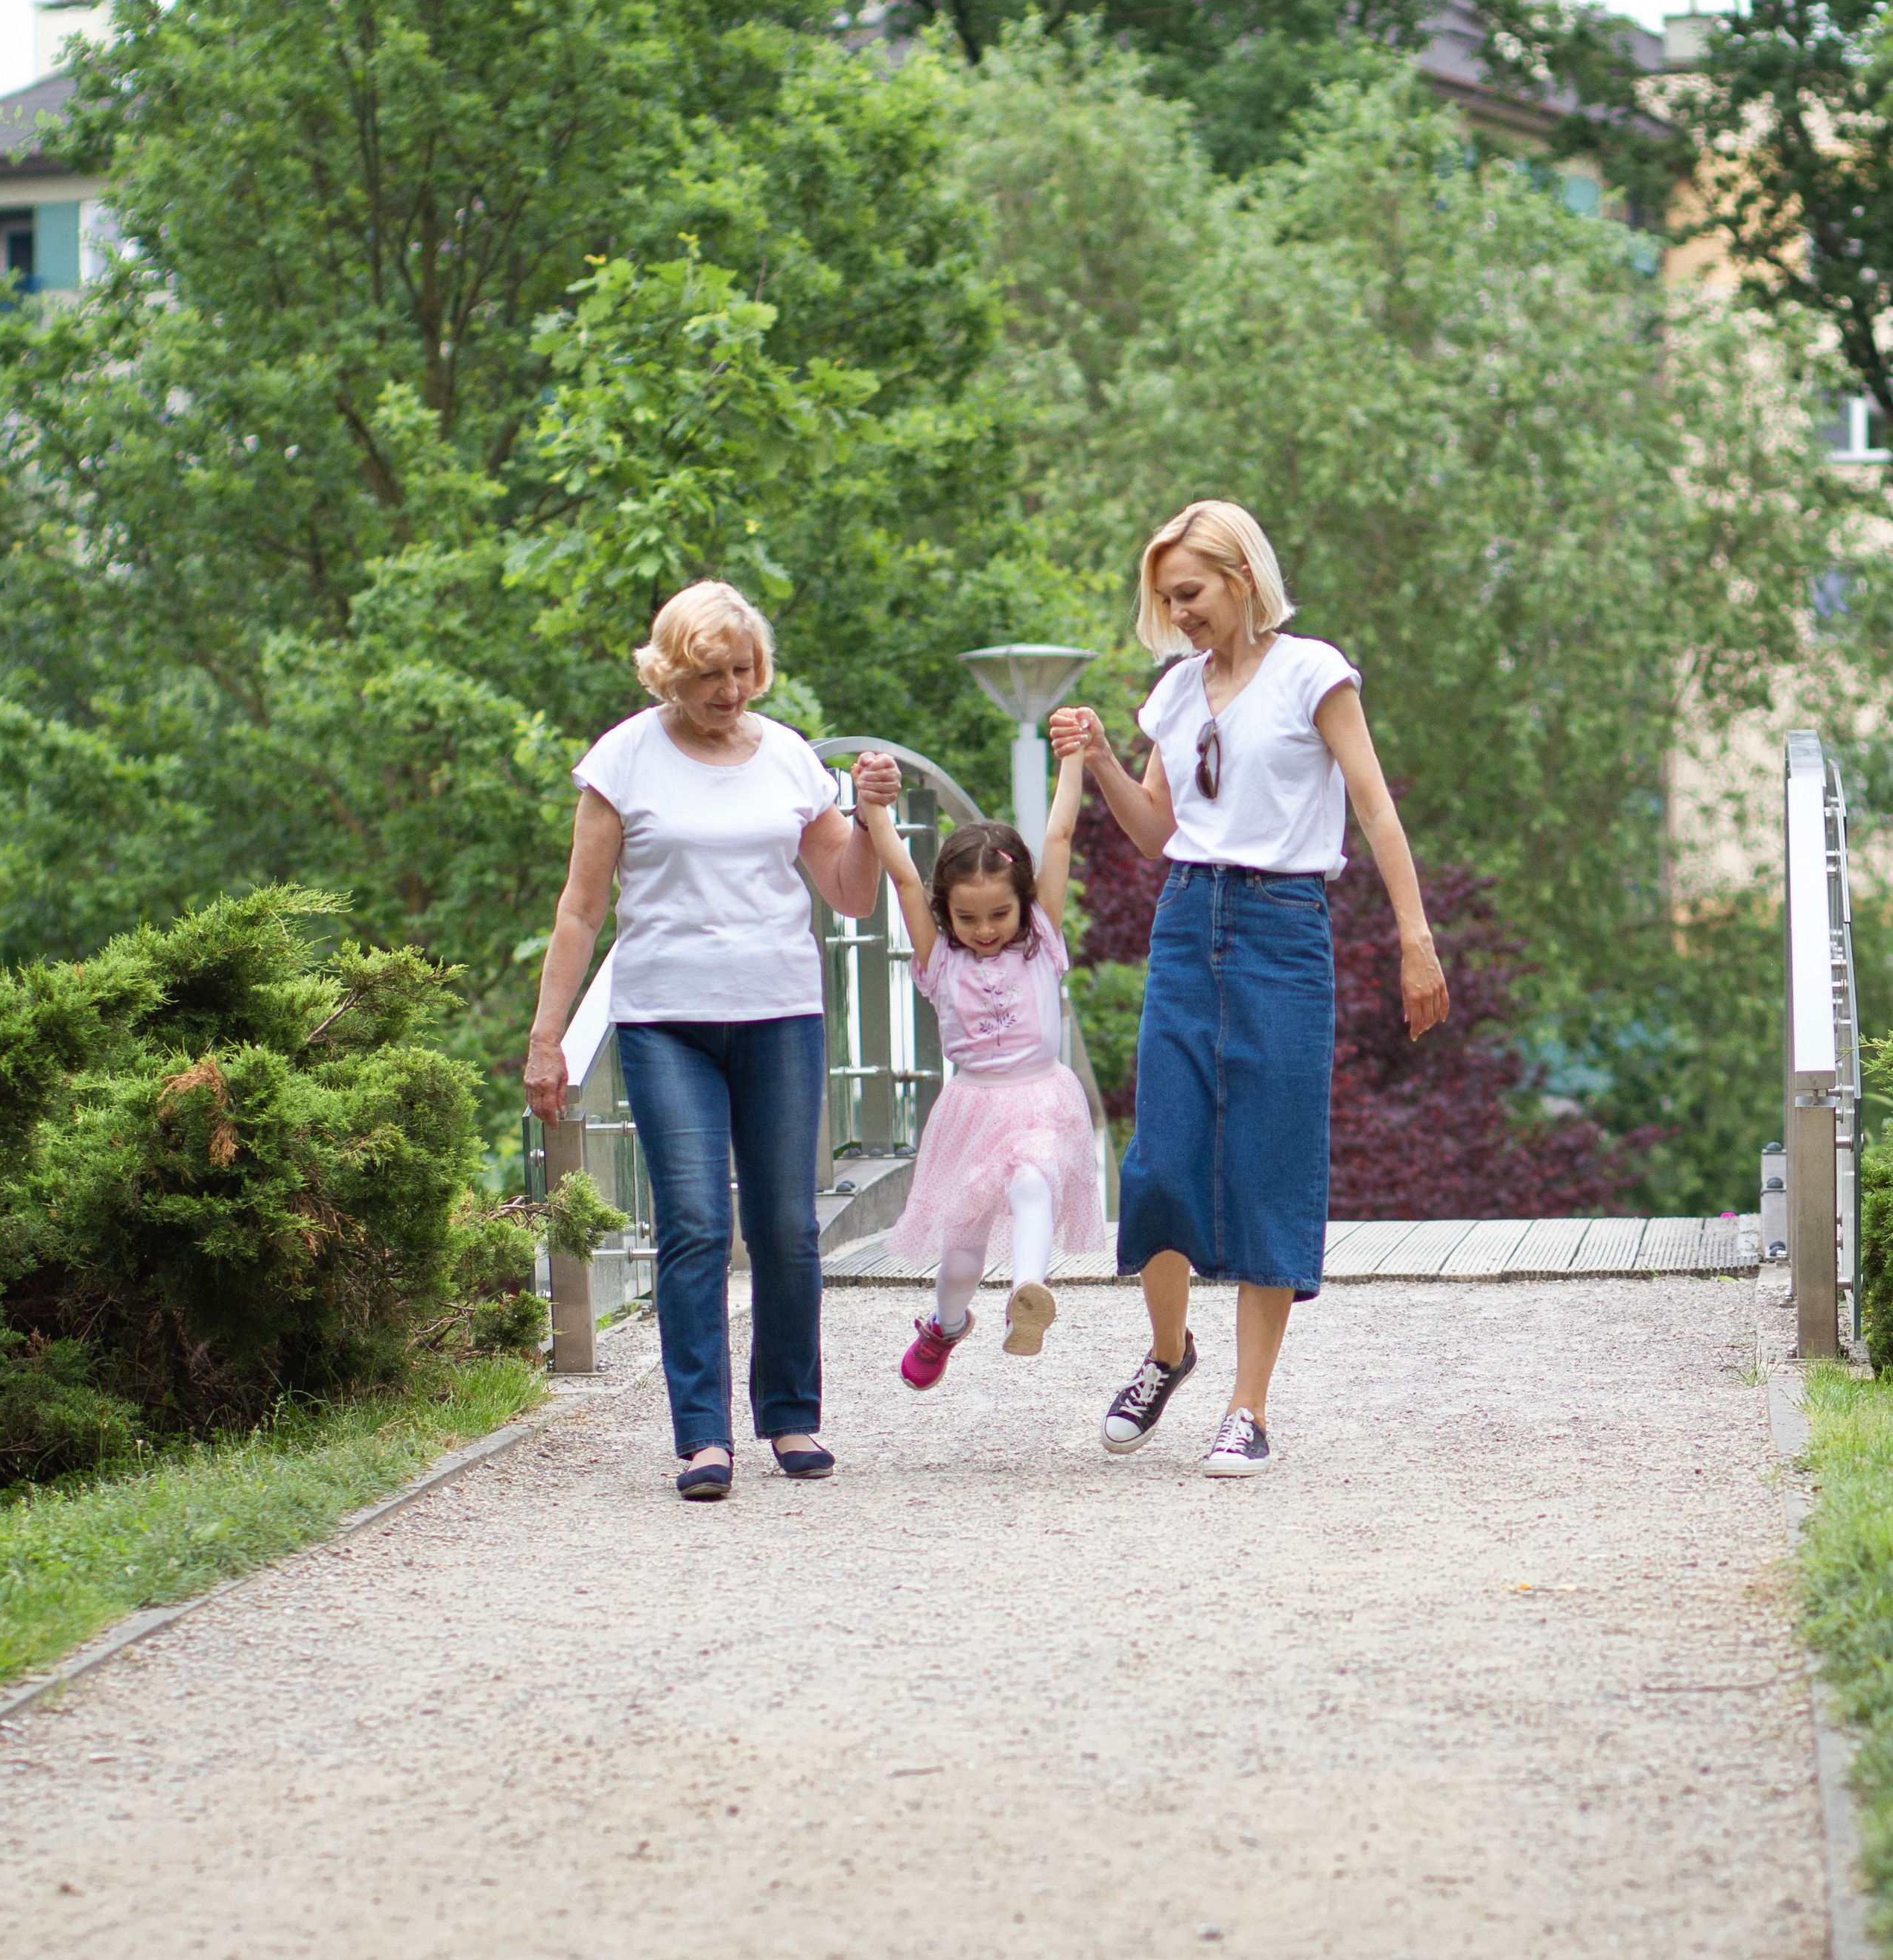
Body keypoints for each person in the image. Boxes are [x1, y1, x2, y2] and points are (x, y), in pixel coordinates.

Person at [1049, 498, 1448, 1477]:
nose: (1177, 612)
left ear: (1239, 579)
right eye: (1165, 598)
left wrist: (1414, 936)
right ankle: (1168, 1352)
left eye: (1190, 593)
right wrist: (1101, 758)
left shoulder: (1314, 672)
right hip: (1186, 925)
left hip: (1284, 931)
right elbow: (1154, 834)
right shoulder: (1176, 694)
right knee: (1161, 1162)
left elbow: (1373, 804)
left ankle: (1248, 1408)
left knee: (1270, 1161)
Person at [522, 579, 901, 1502]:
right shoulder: (623, 761)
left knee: (784, 1225)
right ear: (668, 675)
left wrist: (870, 814)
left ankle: (791, 1415)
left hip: (779, 1015)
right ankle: (703, 1437)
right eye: (706, 677)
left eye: (740, 672)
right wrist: (547, 1039)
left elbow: (849, 894)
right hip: (665, 1022)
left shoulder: (788, 762)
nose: (727, 691)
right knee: (694, 1220)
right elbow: (579, 910)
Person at [862, 745, 1104, 1386]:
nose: (986, 929)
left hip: (1040, 1096)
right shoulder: (941, 960)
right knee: (961, 1256)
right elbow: (906, 879)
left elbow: (1058, 832)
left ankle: (1029, 1292)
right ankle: (946, 1324)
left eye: (1000, 913)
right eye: (967, 917)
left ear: (1025, 904)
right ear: (948, 914)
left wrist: (1074, 758)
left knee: (1034, 1179)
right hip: (973, 1107)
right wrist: (873, 809)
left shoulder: (1041, 941)